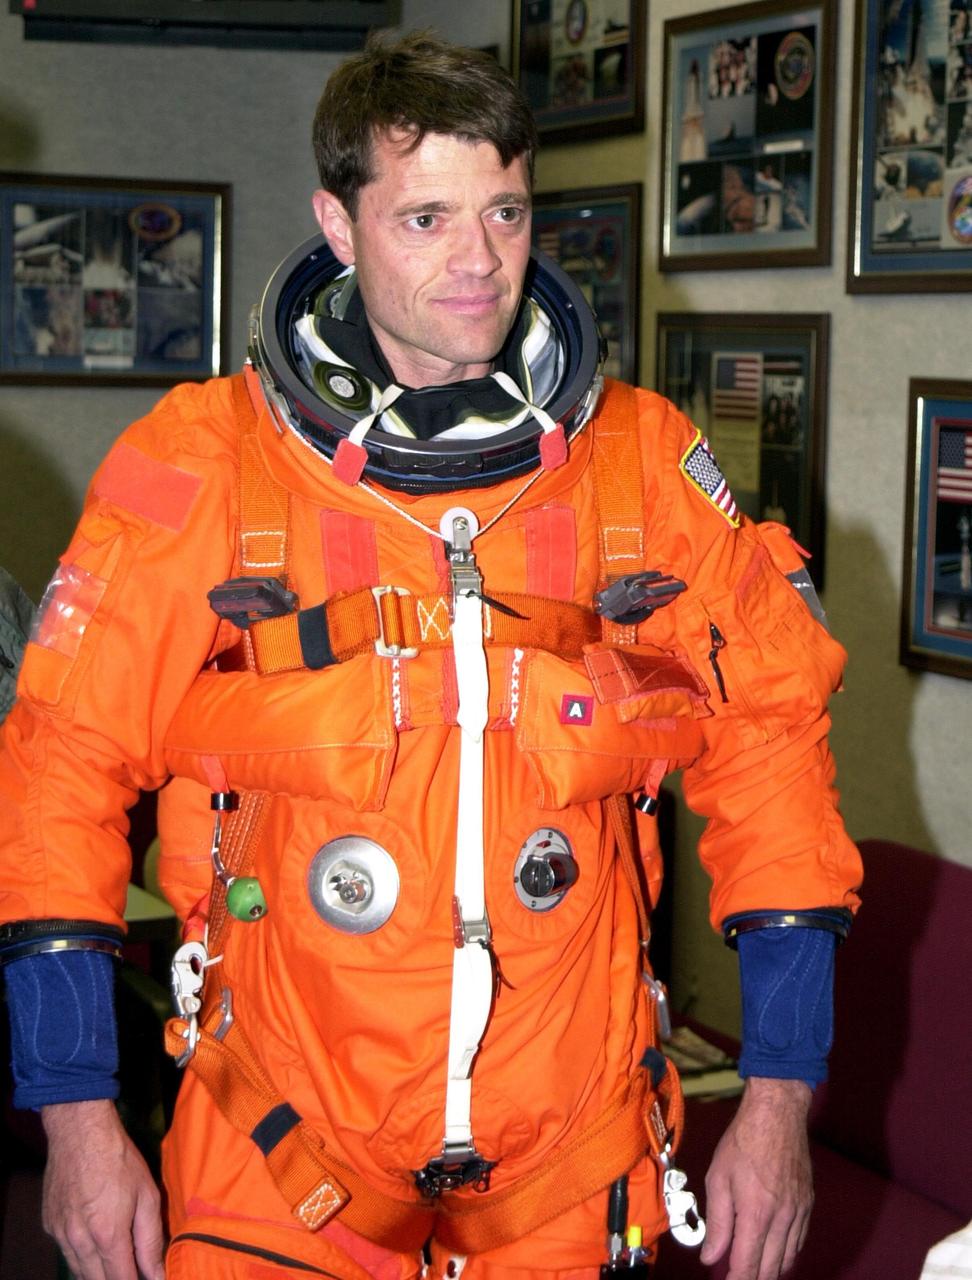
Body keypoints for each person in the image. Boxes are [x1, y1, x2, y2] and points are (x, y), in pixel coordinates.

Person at [0, 31, 861, 1280]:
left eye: (505, 211)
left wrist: (779, 1099)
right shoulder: (210, 464)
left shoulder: (638, 468)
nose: (478, 261)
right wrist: (75, 1115)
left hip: (571, 1163)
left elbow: (773, 743)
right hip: (276, 1157)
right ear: (337, 227)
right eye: (426, 218)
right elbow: (59, 771)